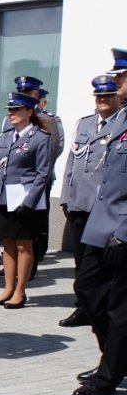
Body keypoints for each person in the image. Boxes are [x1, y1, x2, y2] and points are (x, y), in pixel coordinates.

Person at [72, 67, 127, 395]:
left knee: (120, 306)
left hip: (122, 227)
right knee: (88, 290)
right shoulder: (120, 119)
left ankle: (109, 375)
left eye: (121, 77)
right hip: (101, 222)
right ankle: (117, 357)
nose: (115, 83)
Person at [0, 91, 52, 309]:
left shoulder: (41, 138)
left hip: (24, 200)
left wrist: (29, 202)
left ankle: (20, 291)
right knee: (8, 244)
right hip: (4, 197)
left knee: (23, 246)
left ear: (29, 112)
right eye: (10, 110)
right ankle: (8, 288)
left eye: (16, 110)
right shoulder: (5, 137)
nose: (11, 113)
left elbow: (43, 174)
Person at [58, 76, 118, 328]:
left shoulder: (121, 126)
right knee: (82, 262)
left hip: (106, 210)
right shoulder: (84, 124)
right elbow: (71, 164)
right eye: (98, 96)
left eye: (108, 95)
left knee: (106, 264)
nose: (102, 100)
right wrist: (65, 199)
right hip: (81, 204)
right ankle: (84, 308)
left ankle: (106, 308)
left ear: (118, 97)